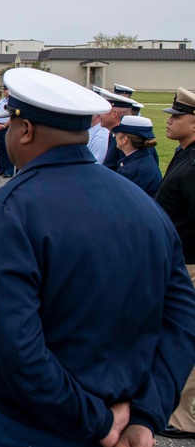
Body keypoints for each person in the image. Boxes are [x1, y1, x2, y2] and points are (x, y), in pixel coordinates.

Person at [0, 68, 195, 447]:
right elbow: (181, 318)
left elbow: (15, 341)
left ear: (25, 130)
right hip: (125, 422)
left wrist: (95, 421)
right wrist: (145, 415)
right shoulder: (144, 205)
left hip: (37, 427)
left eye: (12, 123)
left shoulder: (16, 206)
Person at [156, 87, 195, 438]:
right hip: (178, 262)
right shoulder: (185, 154)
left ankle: (183, 419)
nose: (169, 120)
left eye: (177, 116)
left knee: (187, 333)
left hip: (191, 264)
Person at [110, 115, 162, 199]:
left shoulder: (133, 170)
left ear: (124, 139)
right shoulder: (142, 159)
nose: (115, 136)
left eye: (117, 134)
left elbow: (124, 200)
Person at [93, 86, 140, 171]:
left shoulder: (126, 140)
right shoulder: (116, 135)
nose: (98, 115)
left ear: (114, 114)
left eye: (103, 111)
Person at [0, 86, 13, 178]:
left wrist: (4, 126)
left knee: (7, 149)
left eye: (5, 90)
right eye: (3, 90)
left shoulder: (12, 102)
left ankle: (9, 170)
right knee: (0, 148)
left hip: (7, 126)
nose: (3, 91)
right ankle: (1, 169)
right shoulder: (1, 101)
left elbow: (12, 117)